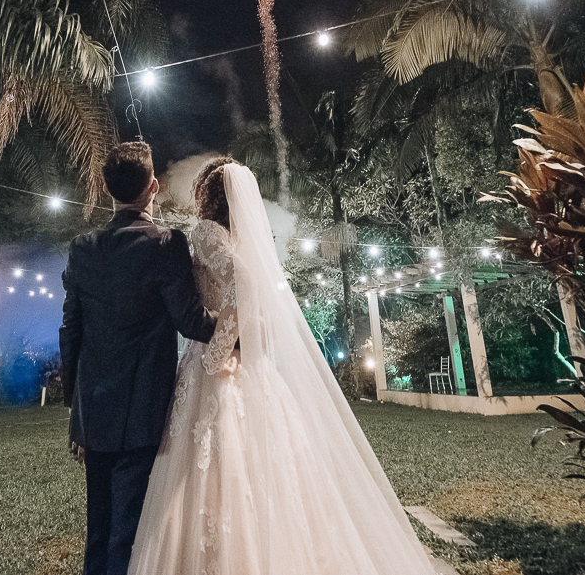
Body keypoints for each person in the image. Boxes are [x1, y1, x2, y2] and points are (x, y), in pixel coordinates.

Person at [128, 158, 441, 575]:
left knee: (212, 464)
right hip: (251, 366)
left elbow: (243, 284)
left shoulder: (205, 232)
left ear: (208, 194)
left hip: (218, 367)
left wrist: (218, 350)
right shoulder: (241, 239)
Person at [60, 141, 217, 575]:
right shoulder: (166, 244)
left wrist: (77, 415)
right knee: (128, 535)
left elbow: (71, 331)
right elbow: (192, 321)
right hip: (144, 412)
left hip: (94, 415)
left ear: (108, 190)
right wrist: (245, 330)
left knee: (99, 530)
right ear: (154, 187)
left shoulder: (83, 246)